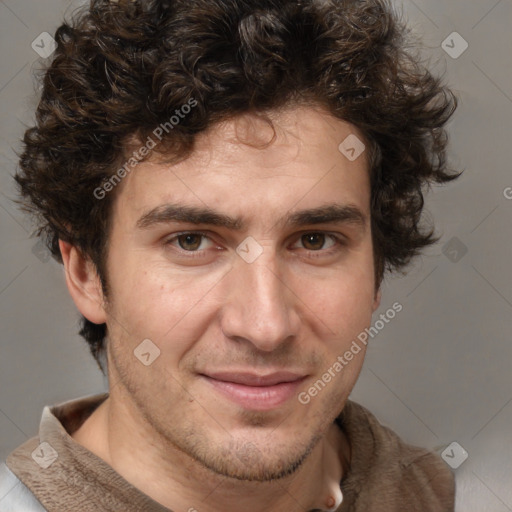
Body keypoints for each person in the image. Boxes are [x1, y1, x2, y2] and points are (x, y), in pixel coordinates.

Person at [1, 0, 462, 510]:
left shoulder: (427, 491)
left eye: (315, 240)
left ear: (377, 270)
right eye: (192, 241)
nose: (265, 325)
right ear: (87, 272)